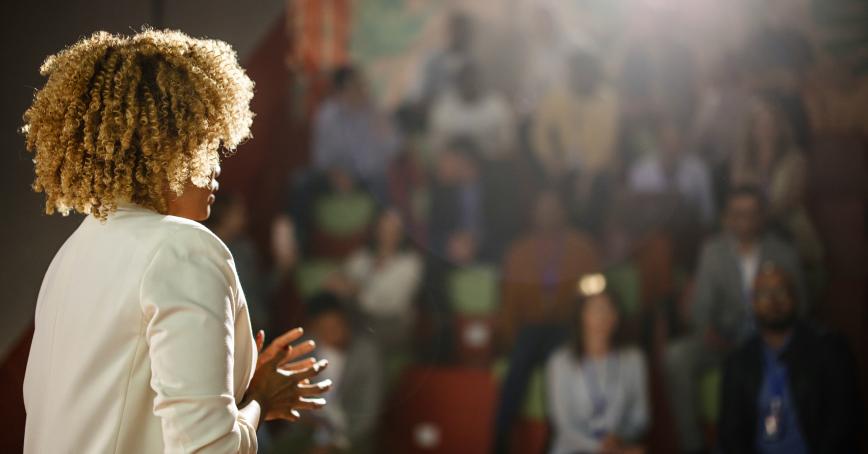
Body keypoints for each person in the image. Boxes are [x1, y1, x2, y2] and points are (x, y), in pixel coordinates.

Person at [21, 30, 330, 453]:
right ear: (162, 149)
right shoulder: (182, 247)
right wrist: (259, 401)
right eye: (205, 144)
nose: (217, 165)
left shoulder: (71, 255)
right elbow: (208, 449)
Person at [664, 186, 806, 453]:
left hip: (772, 341)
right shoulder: (713, 252)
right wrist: (709, 331)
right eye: (738, 214)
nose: (745, 221)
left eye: (751, 213)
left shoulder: (784, 252)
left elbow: (801, 308)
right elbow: (701, 310)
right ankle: (693, 446)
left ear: (762, 216)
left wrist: (777, 335)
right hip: (725, 341)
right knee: (677, 356)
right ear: (727, 218)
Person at [493, 188, 600, 453]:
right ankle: (500, 438)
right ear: (533, 214)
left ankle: (555, 440)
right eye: (542, 209)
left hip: (566, 327)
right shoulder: (518, 252)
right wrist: (508, 339)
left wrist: (586, 332)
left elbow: (594, 293)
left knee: (560, 369)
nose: (547, 214)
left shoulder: (583, 248)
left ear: (563, 212)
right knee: (518, 364)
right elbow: (508, 303)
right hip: (530, 329)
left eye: (553, 208)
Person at [719, 264, 862, 453]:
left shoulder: (830, 350)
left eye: (781, 291)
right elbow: (731, 434)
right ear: (752, 303)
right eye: (763, 294)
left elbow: (843, 425)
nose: (773, 301)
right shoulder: (738, 361)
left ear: (795, 297)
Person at [547, 274, 649, 454]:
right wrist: (599, 447)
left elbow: (641, 416)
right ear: (581, 316)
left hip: (618, 447)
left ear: (616, 316)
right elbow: (564, 427)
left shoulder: (634, 359)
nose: (602, 317)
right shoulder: (561, 362)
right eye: (595, 310)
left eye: (608, 309)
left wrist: (618, 438)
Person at [730, 97, 822, 264]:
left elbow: (791, 200)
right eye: (760, 124)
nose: (766, 129)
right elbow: (738, 194)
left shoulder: (795, 160)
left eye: (771, 124)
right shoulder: (742, 161)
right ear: (752, 130)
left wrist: (761, 218)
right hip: (749, 221)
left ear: (780, 128)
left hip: (787, 223)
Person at [328, 209, 423, 355]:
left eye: (394, 229)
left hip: (391, 324)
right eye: (384, 228)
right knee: (330, 332)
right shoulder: (362, 257)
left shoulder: (411, 263)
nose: (388, 233)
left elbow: (393, 304)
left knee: (362, 342)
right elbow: (334, 282)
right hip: (358, 320)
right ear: (376, 229)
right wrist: (345, 285)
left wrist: (356, 290)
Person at [303, 292, 385, 454]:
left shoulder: (365, 353)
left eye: (338, 325)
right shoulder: (303, 351)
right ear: (314, 328)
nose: (334, 333)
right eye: (325, 329)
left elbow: (369, 409)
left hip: (351, 435)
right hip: (308, 432)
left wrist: (336, 443)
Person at [531, 49, 619, 186]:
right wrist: (550, 161)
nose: (583, 78)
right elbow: (540, 136)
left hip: (595, 173)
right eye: (578, 73)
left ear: (596, 75)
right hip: (556, 167)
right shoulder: (553, 98)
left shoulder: (608, 101)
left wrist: (588, 176)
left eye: (588, 73)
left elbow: (605, 146)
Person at [312, 65, 398, 197]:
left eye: (363, 84)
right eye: (356, 86)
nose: (363, 89)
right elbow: (322, 158)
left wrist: (381, 124)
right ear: (341, 91)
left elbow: (395, 148)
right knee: (302, 184)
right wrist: (336, 175)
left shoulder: (375, 111)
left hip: (374, 178)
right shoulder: (328, 116)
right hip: (339, 177)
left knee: (381, 186)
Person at [429, 62, 516, 160]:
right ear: (458, 83)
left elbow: (508, 146)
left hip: (490, 162)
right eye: (465, 80)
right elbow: (436, 145)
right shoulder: (444, 107)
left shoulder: (497, 106)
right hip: (454, 162)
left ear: (482, 82)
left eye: (474, 80)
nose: (470, 84)